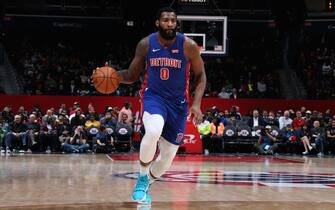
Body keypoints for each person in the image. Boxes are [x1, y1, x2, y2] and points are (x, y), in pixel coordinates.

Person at [116, 7, 206, 204]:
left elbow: (201, 76)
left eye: (173, 20)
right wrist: (113, 76)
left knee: (166, 159)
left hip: (179, 105)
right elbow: (131, 76)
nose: (170, 24)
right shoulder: (146, 44)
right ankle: (141, 177)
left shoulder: (189, 46)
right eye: (165, 20)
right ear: (158, 23)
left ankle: (146, 183)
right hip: (153, 98)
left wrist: (197, 104)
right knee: (154, 130)